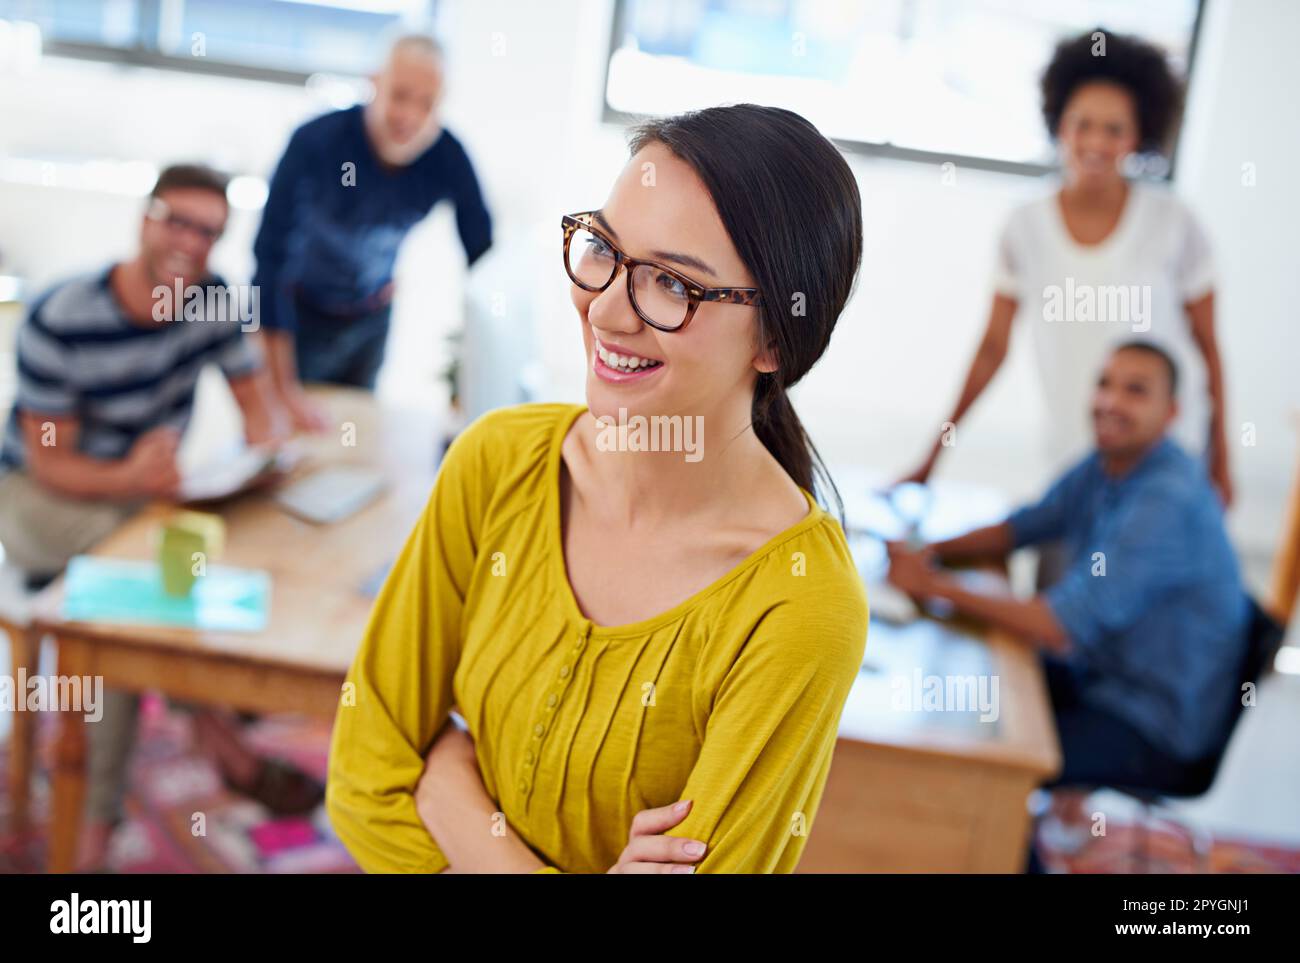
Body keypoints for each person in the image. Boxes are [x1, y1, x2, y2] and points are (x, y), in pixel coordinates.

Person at [326, 104, 869, 873]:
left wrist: (450, 783)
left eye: (673, 284)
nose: (607, 310)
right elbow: (362, 769)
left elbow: (408, 770)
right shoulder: (497, 461)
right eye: (605, 250)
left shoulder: (799, 606)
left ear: (777, 337)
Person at [0, 164, 321, 871]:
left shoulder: (211, 301)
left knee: (165, 573)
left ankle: (199, 742)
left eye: (207, 230)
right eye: (176, 219)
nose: (189, 240)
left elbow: (255, 410)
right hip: (36, 497)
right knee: (134, 594)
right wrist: (130, 476)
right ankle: (106, 821)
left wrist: (273, 451)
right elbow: (50, 461)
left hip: (138, 500)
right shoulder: (62, 314)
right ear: (144, 219)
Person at [886, 342, 1248, 868]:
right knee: (958, 706)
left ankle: (1007, 853)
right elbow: (1022, 527)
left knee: (985, 765)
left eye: (1135, 390)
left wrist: (932, 587)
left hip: (1152, 722)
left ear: (1171, 413)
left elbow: (1058, 626)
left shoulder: (1166, 499)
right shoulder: (1109, 464)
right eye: (1105, 383)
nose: (1110, 401)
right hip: (1105, 677)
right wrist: (928, 552)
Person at [902, 27, 1233, 507]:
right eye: (1083, 124)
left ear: (1138, 136)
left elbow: (1209, 350)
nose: (1096, 142)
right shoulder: (1024, 227)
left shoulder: (1174, 223)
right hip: (1071, 461)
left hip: (1166, 460)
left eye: (1114, 129)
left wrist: (1221, 457)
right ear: (1060, 126)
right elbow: (993, 349)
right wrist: (932, 458)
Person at [252, 34, 492, 429]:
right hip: (300, 319)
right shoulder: (314, 142)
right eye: (399, 96)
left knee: (353, 431)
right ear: (374, 84)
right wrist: (279, 385)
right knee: (297, 431)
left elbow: (482, 257)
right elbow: (269, 258)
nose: (410, 117)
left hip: (372, 318)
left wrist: (473, 372)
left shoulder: (448, 156)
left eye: (427, 103)